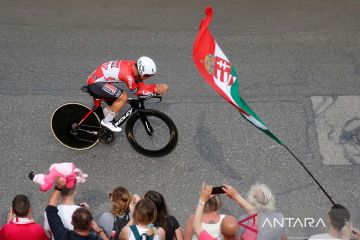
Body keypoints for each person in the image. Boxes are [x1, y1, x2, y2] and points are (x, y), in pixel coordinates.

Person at [86, 56, 168, 132]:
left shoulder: (134, 66)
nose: (148, 78)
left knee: (117, 99)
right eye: (148, 76)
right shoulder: (128, 75)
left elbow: (141, 86)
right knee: (123, 97)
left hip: (99, 79)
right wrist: (155, 90)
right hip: (95, 83)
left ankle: (108, 112)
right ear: (142, 73)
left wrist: (155, 87)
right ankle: (107, 122)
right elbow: (137, 92)